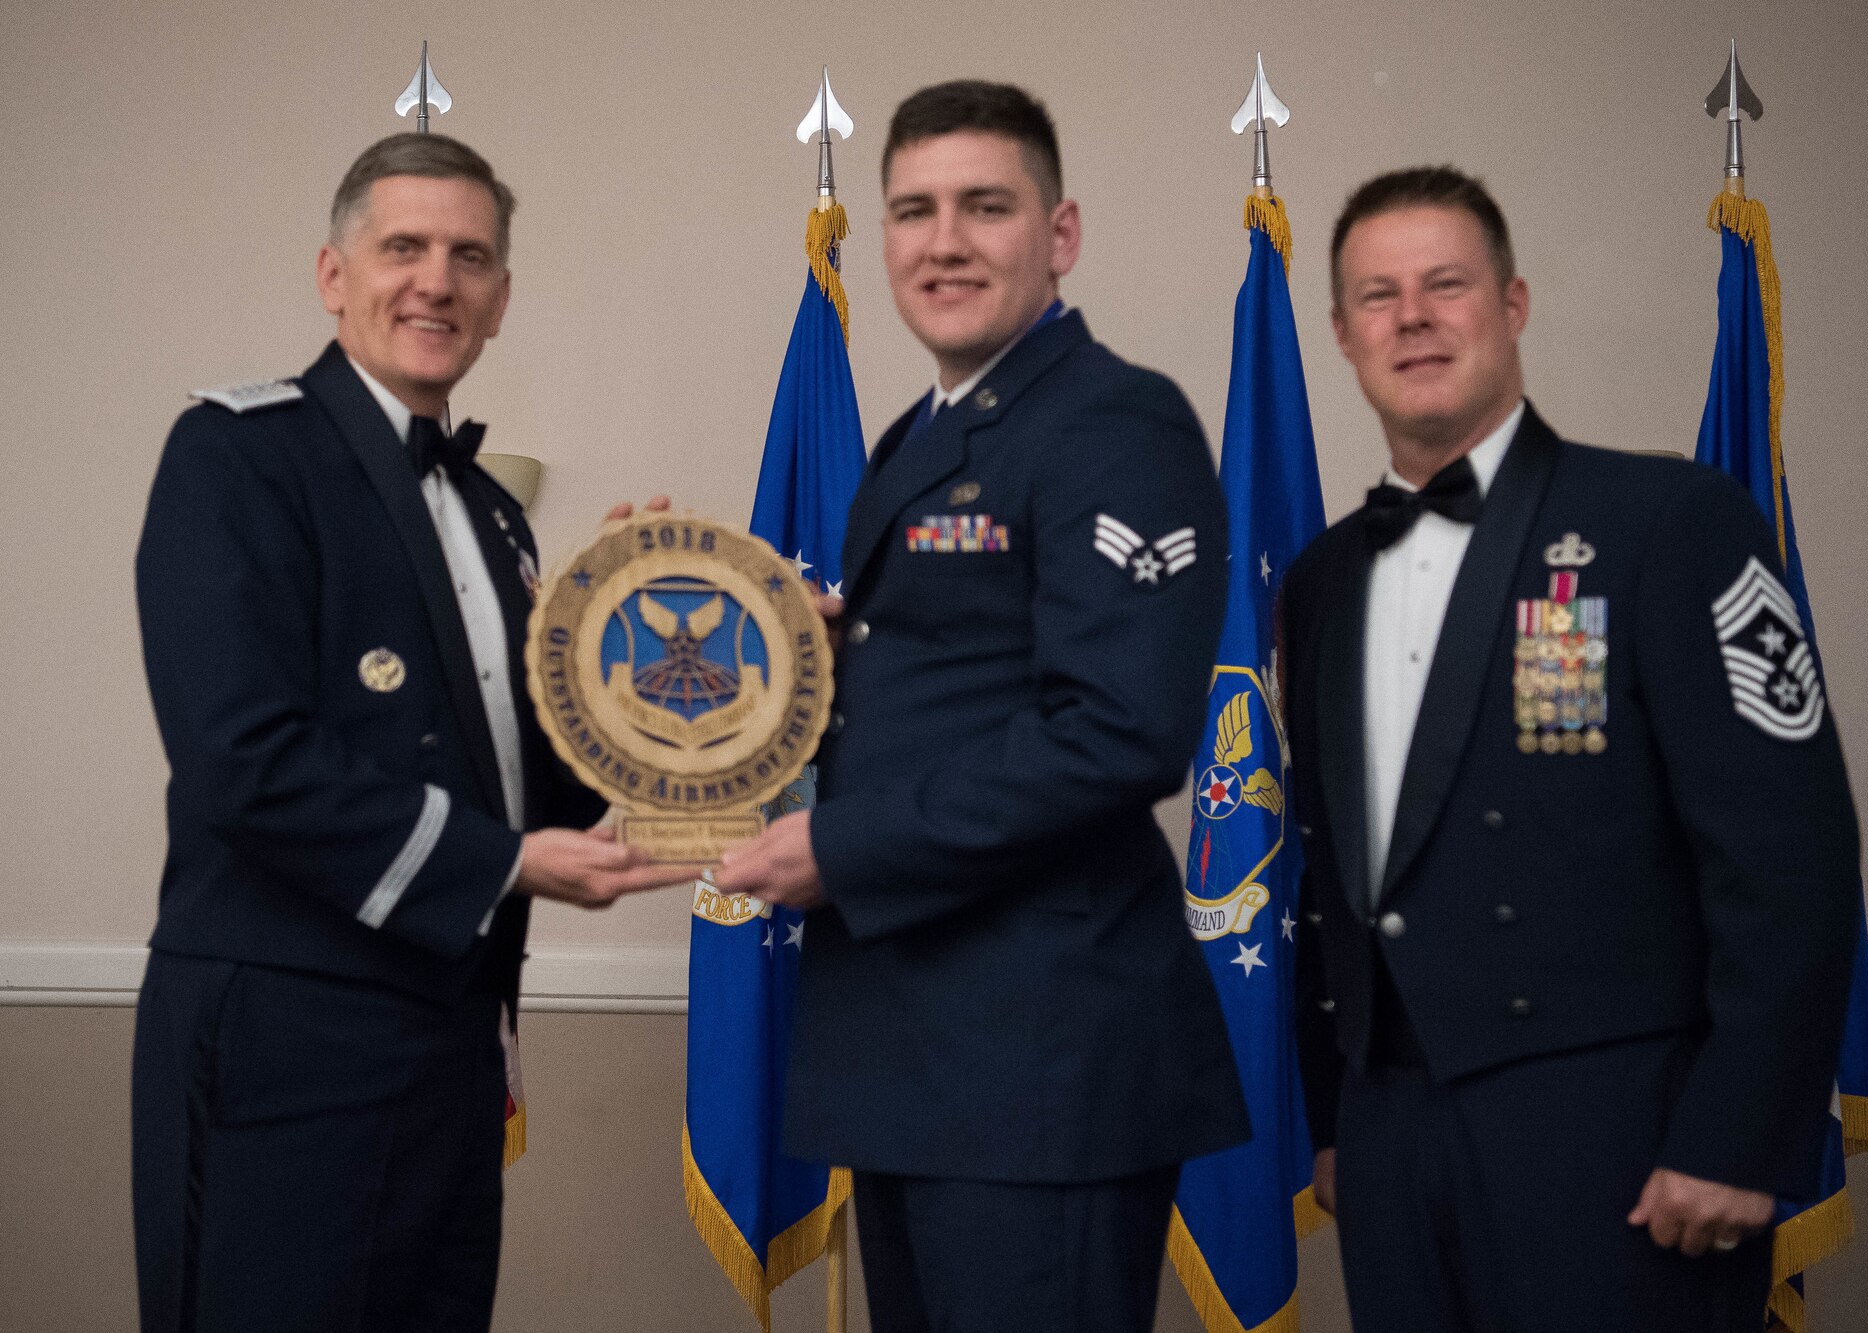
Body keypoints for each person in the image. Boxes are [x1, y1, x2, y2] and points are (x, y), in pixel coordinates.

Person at [1279, 164, 1862, 1332]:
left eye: (1445, 284)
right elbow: (1329, 868)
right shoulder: (1320, 577)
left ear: (1511, 302)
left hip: (1620, 1129)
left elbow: (1788, 855)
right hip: (1391, 1131)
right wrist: (1335, 1118)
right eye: (1378, 295)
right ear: (1340, 333)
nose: (1413, 317)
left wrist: (1736, 1135)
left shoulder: (1670, 523)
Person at [131, 133, 695, 1333]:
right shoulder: (237, 456)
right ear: (334, 275)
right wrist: (498, 865)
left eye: (469, 256)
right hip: (290, 1045)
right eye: (404, 248)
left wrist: (641, 654)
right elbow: (244, 759)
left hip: (450, 1038)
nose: (436, 280)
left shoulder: (495, 515)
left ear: (499, 298)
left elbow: (527, 780)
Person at [713, 81, 1249, 1332]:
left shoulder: (1112, 421)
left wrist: (835, 847)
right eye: (912, 211)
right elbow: (939, 687)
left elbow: (1117, 730)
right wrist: (762, 633)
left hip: (1036, 1063)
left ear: (1057, 234)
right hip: (921, 1055)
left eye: (983, 206)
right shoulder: (920, 437)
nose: (942, 241)